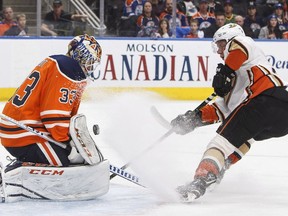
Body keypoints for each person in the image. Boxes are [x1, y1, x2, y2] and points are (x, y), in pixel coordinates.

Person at [171, 23, 288, 202]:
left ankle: (201, 179)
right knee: (244, 134)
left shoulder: (244, 43)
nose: (218, 52)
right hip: (282, 114)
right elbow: (225, 109)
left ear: (229, 39)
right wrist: (195, 118)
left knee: (220, 142)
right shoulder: (241, 76)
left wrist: (225, 72)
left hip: (265, 100)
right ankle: (221, 166)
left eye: (220, 45)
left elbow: (239, 48)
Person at [0, 34, 109, 202]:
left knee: (73, 157)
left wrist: (71, 141)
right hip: (23, 133)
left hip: (20, 127)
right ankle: (12, 178)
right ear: (80, 55)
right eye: (89, 61)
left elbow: (60, 116)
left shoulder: (59, 63)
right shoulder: (69, 69)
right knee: (64, 162)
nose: (90, 67)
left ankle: (26, 165)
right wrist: (68, 143)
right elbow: (53, 117)